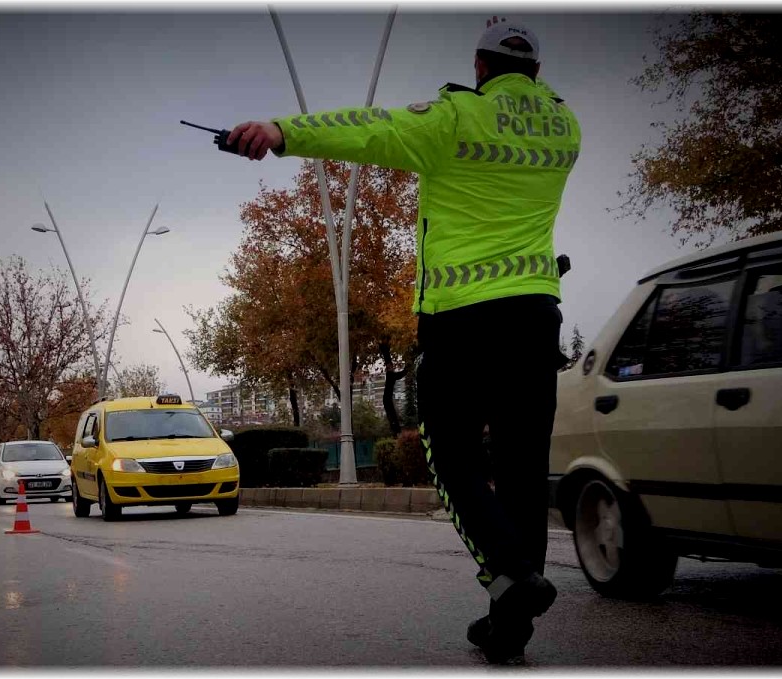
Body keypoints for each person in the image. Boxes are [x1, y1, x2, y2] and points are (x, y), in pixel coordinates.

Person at [227, 17, 581, 664]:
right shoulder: (566, 128)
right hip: (537, 316)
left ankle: (510, 571)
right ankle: (510, 623)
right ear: (535, 72)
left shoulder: (455, 118)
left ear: (479, 67)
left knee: (450, 458)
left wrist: (282, 132)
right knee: (524, 468)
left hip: (463, 319)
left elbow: (372, 129)